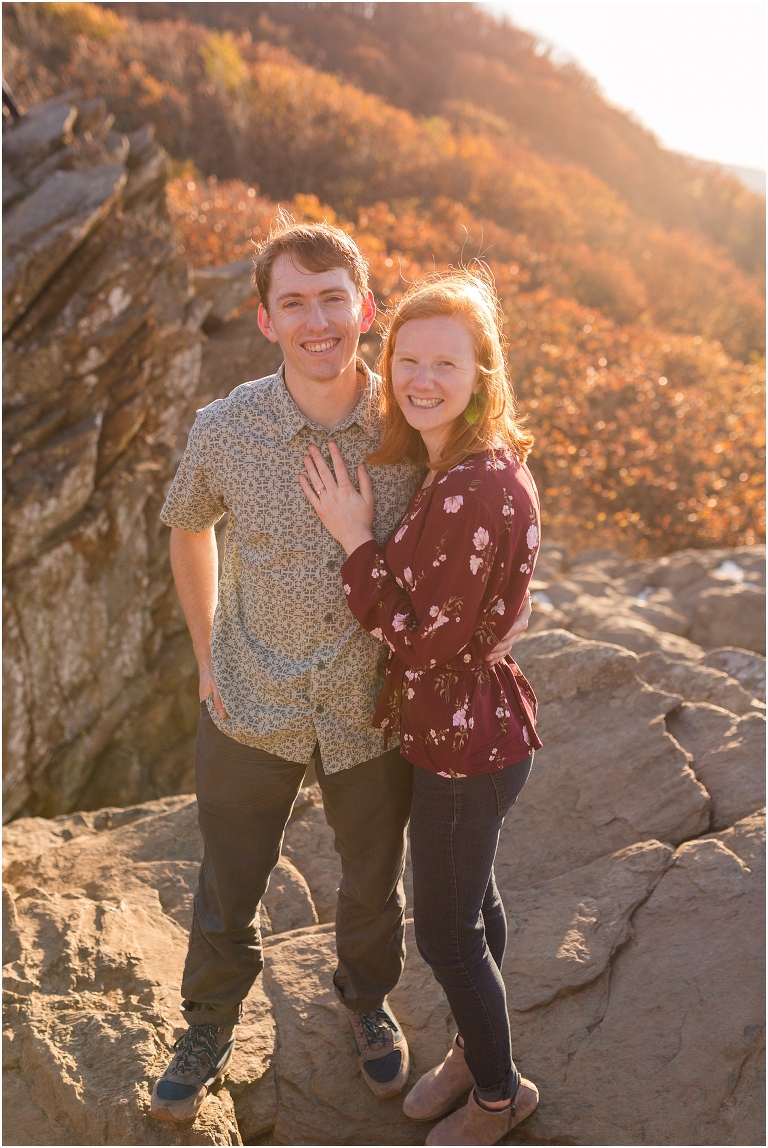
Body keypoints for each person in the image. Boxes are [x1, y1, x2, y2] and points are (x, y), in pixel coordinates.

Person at [151, 216, 531, 1123]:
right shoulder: (226, 428)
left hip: (370, 708)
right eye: (294, 303)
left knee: (372, 878)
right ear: (265, 318)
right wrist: (207, 653)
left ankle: (366, 1002)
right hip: (252, 697)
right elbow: (186, 525)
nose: (316, 320)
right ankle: (207, 1021)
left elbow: (468, 530)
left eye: (333, 299)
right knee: (230, 876)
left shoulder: (410, 421)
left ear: (365, 308)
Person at [300, 269, 542, 1146]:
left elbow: (426, 643)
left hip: (461, 744)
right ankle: (475, 1055)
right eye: (408, 358)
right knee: (470, 902)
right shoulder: (466, 465)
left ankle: (497, 1095)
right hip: (476, 730)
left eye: (447, 361)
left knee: (445, 932)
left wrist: (355, 540)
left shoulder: (475, 485)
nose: (421, 378)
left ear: (484, 371)